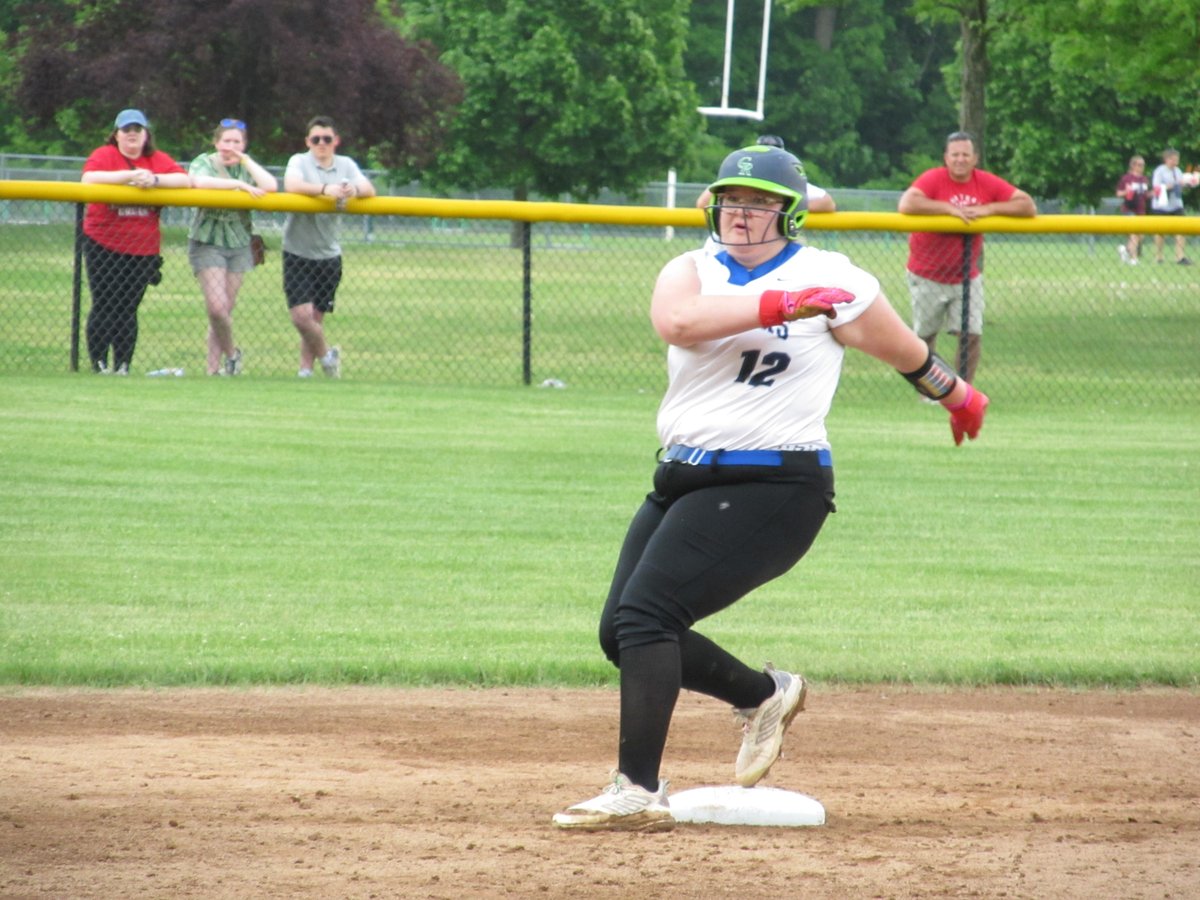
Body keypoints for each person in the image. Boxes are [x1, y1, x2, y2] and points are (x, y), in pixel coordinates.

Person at [551, 145, 989, 832]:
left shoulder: (831, 278)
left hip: (778, 482)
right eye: (731, 199)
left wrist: (959, 396)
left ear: (790, 213)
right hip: (681, 477)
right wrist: (781, 304)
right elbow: (678, 324)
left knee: (646, 617)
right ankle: (765, 696)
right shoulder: (689, 270)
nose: (741, 212)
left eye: (758, 202)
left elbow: (904, 350)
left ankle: (636, 790)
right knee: (621, 633)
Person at [897, 131, 1036, 384]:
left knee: (970, 335)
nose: (960, 159)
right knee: (925, 338)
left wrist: (989, 209)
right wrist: (948, 209)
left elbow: (1026, 206)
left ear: (975, 158)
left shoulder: (985, 182)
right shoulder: (933, 179)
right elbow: (907, 204)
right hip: (927, 274)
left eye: (965, 154)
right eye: (955, 155)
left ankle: (964, 392)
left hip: (966, 276)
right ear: (946, 158)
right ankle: (931, 390)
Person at [80, 109, 190, 375]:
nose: (132, 134)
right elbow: (89, 178)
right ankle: (99, 364)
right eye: (126, 130)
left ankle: (123, 365)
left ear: (146, 134)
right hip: (103, 242)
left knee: (128, 307)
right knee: (105, 302)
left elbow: (184, 179)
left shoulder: (157, 159)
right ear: (116, 135)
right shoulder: (105, 155)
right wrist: (129, 176)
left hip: (142, 247)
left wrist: (154, 179)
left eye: (137, 130)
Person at [282, 115, 376, 378]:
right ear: (307, 142)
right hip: (297, 250)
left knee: (316, 317)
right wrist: (325, 189)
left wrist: (352, 189)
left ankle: (305, 370)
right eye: (316, 139)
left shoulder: (346, 165)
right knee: (301, 317)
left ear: (336, 141)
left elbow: (368, 188)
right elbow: (291, 185)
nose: (321, 143)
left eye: (327, 139)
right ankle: (327, 356)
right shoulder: (299, 161)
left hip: (329, 254)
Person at [187, 118, 278, 375]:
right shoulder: (204, 162)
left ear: (244, 145)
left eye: (237, 142)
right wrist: (238, 185)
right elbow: (199, 182)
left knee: (225, 310)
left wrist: (246, 162)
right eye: (226, 141)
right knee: (217, 308)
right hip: (207, 241)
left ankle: (213, 370)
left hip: (239, 243)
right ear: (216, 143)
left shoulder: (245, 167)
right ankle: (232, 355)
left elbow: (270, 186)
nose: (231, 146)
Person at [695, 135, 836, 214]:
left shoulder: (788, 181)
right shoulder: (742, 175)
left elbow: (827, 203)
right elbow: (703, 202)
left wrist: (787, 209)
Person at [1150, 147, 1193, 265]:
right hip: (1161, 206)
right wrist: (1172, 185)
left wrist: (1187, 184)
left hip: (1176, 205)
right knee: (1160, 231)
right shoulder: (1160, 171)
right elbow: (1156, 188)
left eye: (1177, 159)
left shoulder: (1178, 171)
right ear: (1167, 159)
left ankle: (1180, 256)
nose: (1175, 162)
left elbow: (1181, 185)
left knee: (1181, 229)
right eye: (1173, 159)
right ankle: (1158, 256)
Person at [1115, 155, 1149, 265]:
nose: (1141, 167)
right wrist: (1127, 191)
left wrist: (1155, 193)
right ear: (1133, 165)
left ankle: (1124, 250)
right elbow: (1118, 193)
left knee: (1140, 236)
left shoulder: (1144, 179)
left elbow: (1145, 195)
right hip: (1129, 209)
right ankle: (1134, 259)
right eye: (1139, 165)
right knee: (1133, 233)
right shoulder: (1127, 178)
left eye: (1143, 165)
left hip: (1141, 210)